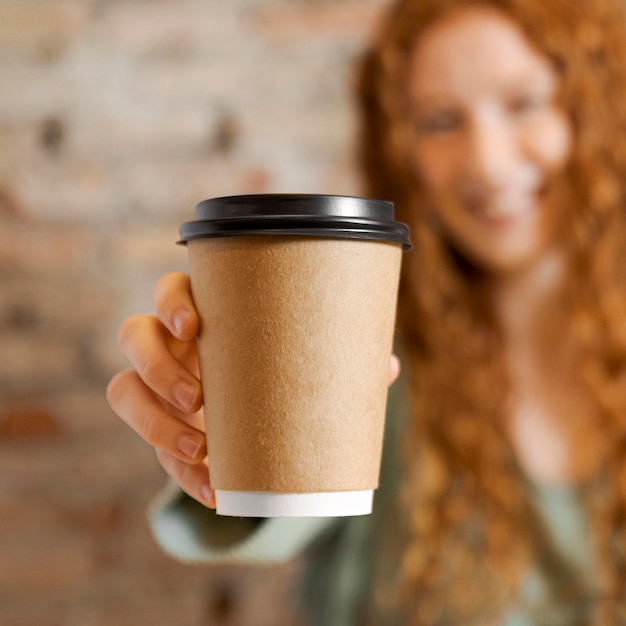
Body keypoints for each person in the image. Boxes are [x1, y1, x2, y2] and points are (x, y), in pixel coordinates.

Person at [106, 0, 626, 623]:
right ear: (401, 149)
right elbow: (267, 520)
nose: (488, 161)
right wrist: (224, 419)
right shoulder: (360, 351)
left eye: (524, 103)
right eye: (440, 120)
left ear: (593, 106)